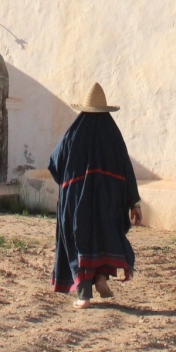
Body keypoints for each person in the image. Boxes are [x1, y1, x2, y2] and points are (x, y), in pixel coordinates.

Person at [48, 82, 142, 308]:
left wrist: (69, 185)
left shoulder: (74, 133)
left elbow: (55, 163)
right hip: (109, 200)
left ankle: (84, 294)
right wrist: (134, 202)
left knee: (79, 239)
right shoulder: (112, 134)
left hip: (77, 200)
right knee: (103, 235)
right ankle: (100, 277)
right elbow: (126, 168)